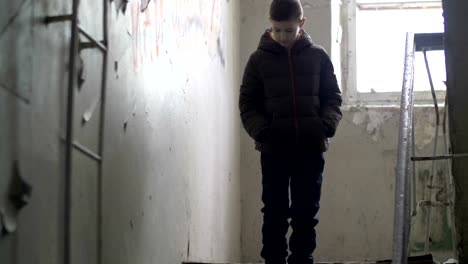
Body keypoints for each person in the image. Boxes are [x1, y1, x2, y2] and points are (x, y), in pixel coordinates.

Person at [239, 0, 343, 263]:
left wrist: (325, 127)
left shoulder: (318, 57)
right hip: (274, 151)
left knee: (305, 215)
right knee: (274, 214)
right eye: (277, 30)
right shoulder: (257, 61)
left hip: (310, 150)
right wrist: (262, 132)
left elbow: (332, 98)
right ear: (270, 25)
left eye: (289, 30)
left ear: (302, 24)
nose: (283, 36)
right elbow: (247, 104)